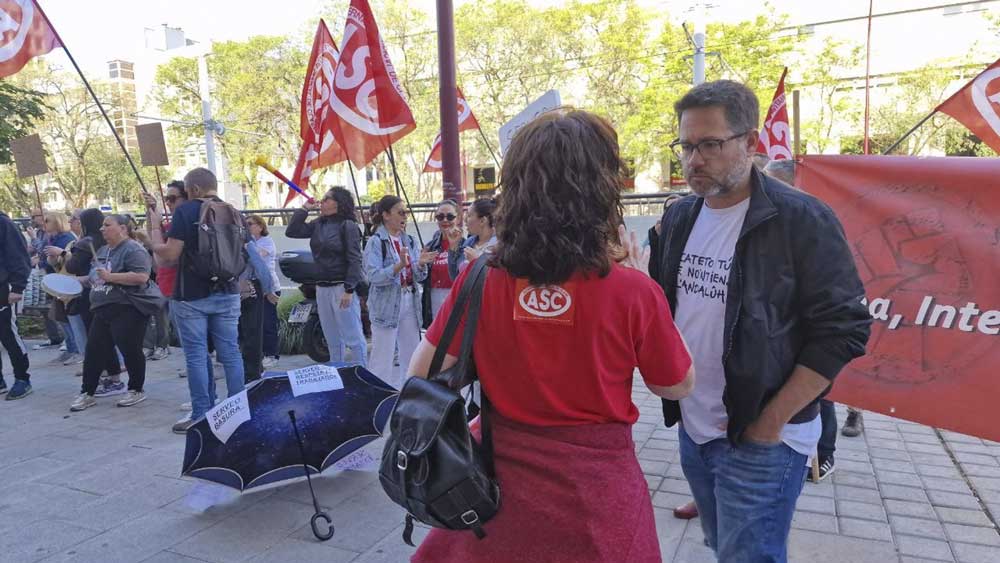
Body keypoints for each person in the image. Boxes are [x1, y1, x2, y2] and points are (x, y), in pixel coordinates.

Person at [409, 109, 695, 562]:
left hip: (495, 487)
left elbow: (422, 370)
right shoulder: (633, 288)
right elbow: (674, 384)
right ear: (602, 188)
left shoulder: (482, 276)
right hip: (594, 491)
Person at [645, 80, 871, 561]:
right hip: (695, 429)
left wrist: (771, 421)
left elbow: (845, 329)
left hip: (764, 438)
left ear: (750, 142)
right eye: (686, 145)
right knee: (719, 544)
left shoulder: (801, 219)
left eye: (710, 144)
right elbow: (665, 311)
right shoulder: (681, 218)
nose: (693, 159)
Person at [147, 168, 247, 434]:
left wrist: (152, 240)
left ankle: (202, 413)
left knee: (196, 355)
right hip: (228, 290)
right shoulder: (234, 211)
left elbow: (169, 255)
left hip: (191, 295)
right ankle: (239, 410)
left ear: (192, 190)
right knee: (230, 353)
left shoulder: (186, 211)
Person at [70, 214, 154, 411]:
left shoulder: (134, 249)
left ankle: (136, 389)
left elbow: (142, 276)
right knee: (94, 351)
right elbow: (95, 277)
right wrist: (75, 282)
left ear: (123, 228)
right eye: (101, 226)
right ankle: (87, 392)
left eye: (107, 225)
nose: (102, 229)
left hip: (128, 308)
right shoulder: (104, 250)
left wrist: (111, 276)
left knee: (130, 350)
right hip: (103, 308)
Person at [286, 187, 367, 366]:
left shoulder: (348, 225)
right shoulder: (318, 224)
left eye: (326, 199)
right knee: (331, 337)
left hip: (341, 286)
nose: (321, 202)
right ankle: (338, 374)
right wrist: (304, 209)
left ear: (338, 203)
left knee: (352, 335)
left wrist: (349, 289)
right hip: (321, 287)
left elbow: (355, 259)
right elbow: (292, 231)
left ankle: (362, 374)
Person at [363, 195, 433, 388]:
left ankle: (409, 395)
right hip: (386, 304)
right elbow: (373, 276)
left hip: (409, 299)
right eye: (400, 212)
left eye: (406, 212)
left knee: (411, 353)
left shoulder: (408, 240)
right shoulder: (376, 242)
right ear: (386, 215)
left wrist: (420, 264)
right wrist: (399, 265)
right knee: (382, 357)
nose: (405, 216)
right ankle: (378, 399)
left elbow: (419, 277)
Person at [64, 208, 127, 395]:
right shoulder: (106, 244)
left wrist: (65, 254)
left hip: (91, 296)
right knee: (104, 339)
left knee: (96, 341)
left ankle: (106, 379)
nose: (103, 229)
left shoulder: (87, 242)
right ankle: (112, 377)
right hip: (104, 294)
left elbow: (72, 265)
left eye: (107, 226)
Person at [142, 181, 187, 362]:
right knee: (177, 328)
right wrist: (152, 210)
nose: (168, 203)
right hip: (166, 284)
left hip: (181, 288)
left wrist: (155, 226)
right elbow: (155, 236)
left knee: (186, 333)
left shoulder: (180, 225)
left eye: (173, 199)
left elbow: (164, 258)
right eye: (166, 199)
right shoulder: (170, 225)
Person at [0, 209, 32, 399]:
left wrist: (17, 287)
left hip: (4, 288)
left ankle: (22, 378)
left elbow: (19, 256)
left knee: (8, 335)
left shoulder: (4, 224)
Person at [42, 212, 80, 364]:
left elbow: (72, 259)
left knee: (66, 318)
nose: (45, 224)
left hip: (66, 281)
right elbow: (53, 262)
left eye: (48, 221)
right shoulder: (53, 238)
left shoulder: (66, 238)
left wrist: (59, 253)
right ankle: (71, 348)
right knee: (59, 316)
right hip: (57, 281)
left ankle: (75, 349)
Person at [246, 215, 282, 368]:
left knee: (268, 322)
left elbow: (257, 257)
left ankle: (272, 354)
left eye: (250, 224)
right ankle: (260, 353)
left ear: (260, 226)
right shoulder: (249, 243)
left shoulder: (266, 242)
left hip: (269, 287)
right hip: (254, 287)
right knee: (255, 323)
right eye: (245, 224)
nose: (247, 227)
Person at [421, 199, 463, 327]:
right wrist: (420, 265)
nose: (445, 220)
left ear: (458, 218)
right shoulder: (430, 246)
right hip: (433, 298)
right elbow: (420, 279)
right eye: (440, 217)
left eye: (450, 216)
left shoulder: (467, 245)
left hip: (456, 297)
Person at [447, 197, 496, 279]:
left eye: (469, 215)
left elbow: (497, 279)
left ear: (482, 221)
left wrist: (477, 261)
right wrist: (453, 247)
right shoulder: (469, 242)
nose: (465, 220)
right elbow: (455, 277)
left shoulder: (500, 245)